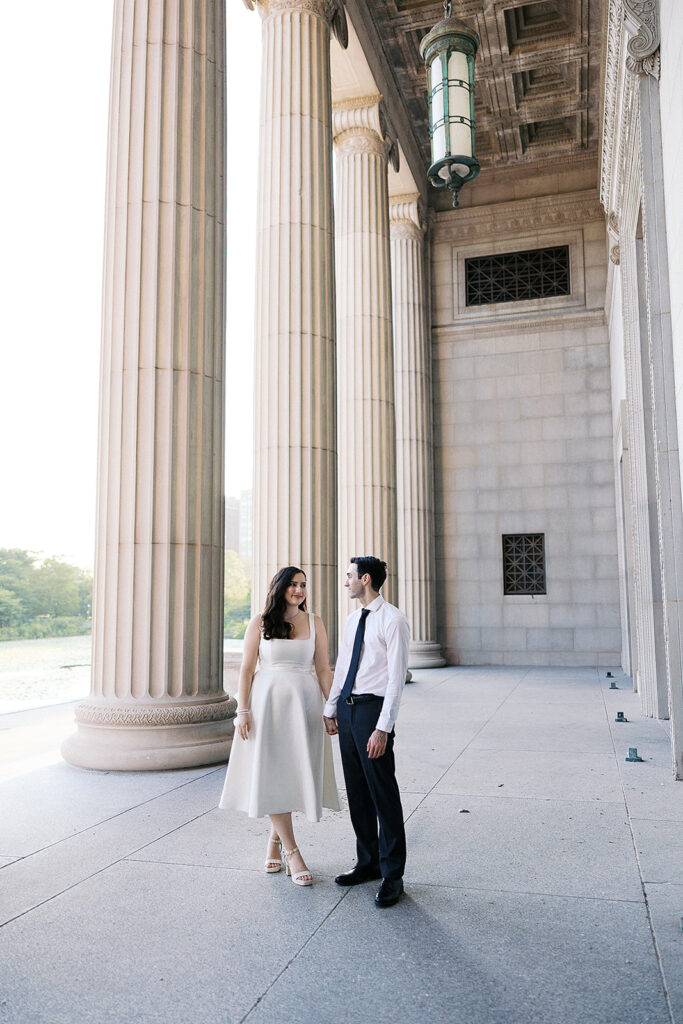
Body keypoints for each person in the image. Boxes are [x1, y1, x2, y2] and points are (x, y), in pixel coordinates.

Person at [219, 566, 339, 885]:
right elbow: (246, 670)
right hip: (266, 704)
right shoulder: (260, 622)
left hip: (305, 706)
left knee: (293, 772)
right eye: (293, 585)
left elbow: (324, 670)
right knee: (273, 770)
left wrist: (332, 707)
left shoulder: (315, 622)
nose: (299, 590)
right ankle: (292, 851)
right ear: (280, 588)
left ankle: (274, 841)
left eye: (303, 585)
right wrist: (241, 710)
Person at [323, 556, 410, 908]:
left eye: (349, 577)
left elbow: (395, 680)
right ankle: (368, 862)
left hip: (373, 711)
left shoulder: (393, 620)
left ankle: (393, 874)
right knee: (357, 792)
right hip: (348, 709)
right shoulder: (351, 620)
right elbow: (343, 665)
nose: (346, 582)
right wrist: (331, 708)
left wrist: (382, 729)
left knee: (382, 793)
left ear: (366, 579)